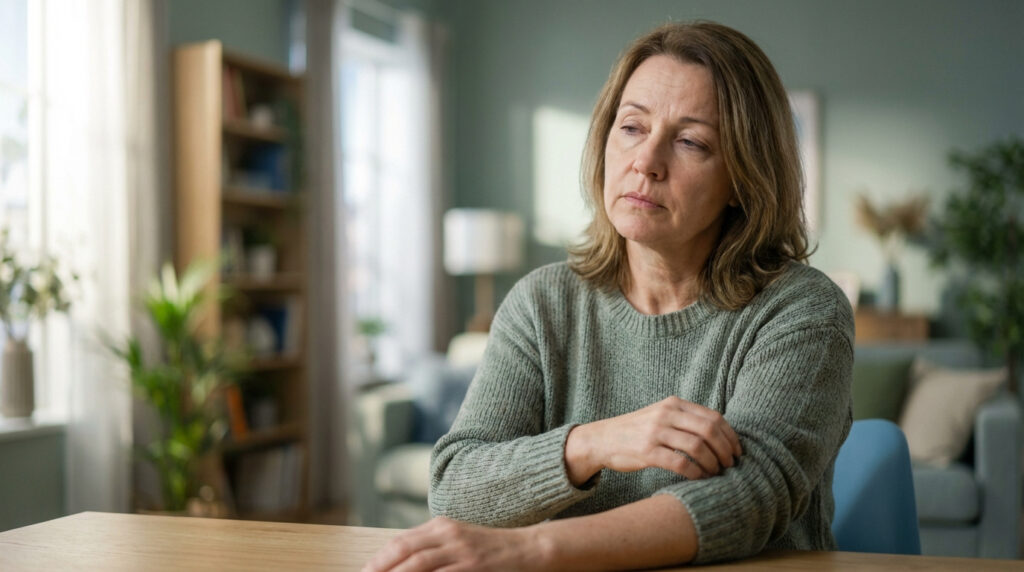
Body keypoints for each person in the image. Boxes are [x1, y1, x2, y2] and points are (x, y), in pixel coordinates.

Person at [363, 20, 853, 571]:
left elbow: (748, 500)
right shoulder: (541, 303)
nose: (646, 161)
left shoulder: (803, 309)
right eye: (632, 127)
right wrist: (594, 444)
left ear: (743, 177)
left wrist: (532, 549)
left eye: (691, 141)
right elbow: (454, 483)